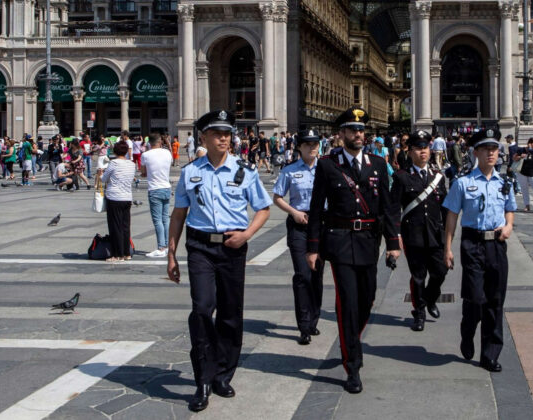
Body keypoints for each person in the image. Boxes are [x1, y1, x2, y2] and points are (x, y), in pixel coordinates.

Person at [167, 110, 272, 412]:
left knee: (229, 313)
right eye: (217, 133)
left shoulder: (245, 170)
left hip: (232, 247)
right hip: (200, 246)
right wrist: (171, 255)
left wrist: (246, 234)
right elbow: (178, 215)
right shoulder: (190, 172)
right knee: (201, 308)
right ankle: (203, 378)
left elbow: (263, 208)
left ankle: (223, 374)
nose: (224, 138)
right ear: (203, 138)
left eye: (227, 133)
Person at [306, 106, 401, 394]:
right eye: (353, 130)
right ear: (342, 134)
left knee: (367, 299)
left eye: (362, 130)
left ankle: (351, 342)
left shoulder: (377, 163)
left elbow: (388, 206)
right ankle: (352, 365)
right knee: (347, 303)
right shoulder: (327, 165)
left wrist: (393, 244)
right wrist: (313, 248)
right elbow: (316, 207)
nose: (359, 134)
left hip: (369, 241)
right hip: (340, 241)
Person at [443, 129, 516, 373]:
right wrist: (448, 248)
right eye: (486, 149)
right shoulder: (463, 183)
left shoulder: (504, 182)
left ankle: (490, 354)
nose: (491, 153)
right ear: (476, 152)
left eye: (494, 149)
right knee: (475, 298)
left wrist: (509, 226)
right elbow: (452, 215)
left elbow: (510, 208)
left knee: (495, 300)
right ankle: (467, 331)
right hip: (472, 243)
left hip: (496, 244)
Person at [390, 131, 448, 332]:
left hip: (435, 233)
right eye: (418, 148)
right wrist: (394, 237)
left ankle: (430, 298)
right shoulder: (402, 177)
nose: (423, 152)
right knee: (418, 276)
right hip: (412, 233)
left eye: (425, 148)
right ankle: (420, 311)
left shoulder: (438, 177)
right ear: (410, 151)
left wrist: (448, 237)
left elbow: (445, 209)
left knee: (440, 271)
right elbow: (393, 209)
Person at [273, 129, 324, 345]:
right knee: (303, 274)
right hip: (299, 224)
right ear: (299, 147)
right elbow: (277, 197)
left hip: (321, 225)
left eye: (315, 144)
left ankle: (314, 319)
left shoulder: (326, 169)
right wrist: (293, 212)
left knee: (317, 276)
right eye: (307, 144)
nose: (312, 148)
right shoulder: (290, 170)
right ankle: (303, 325)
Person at [100, 141, 136, 262]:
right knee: (125, 226)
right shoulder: (132, 164)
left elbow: (104, 179)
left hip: (114, 197)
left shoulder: (114, 163)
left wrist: (100, 173)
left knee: (115, 226)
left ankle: (117, 254)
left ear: (115, 151)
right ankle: (127, 253)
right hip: (127, 197)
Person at [141, 133, 173, 258]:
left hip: (154, 189)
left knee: (157, 220)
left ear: (150, 143)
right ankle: (167, 246)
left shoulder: (146, 155)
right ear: (160, 142)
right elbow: (168, 165)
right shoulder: (167, 153)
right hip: (167, 187)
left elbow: (143, 172)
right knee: (166, 219)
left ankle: (161, 247)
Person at [513, 138, 533, 212]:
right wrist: (521, 157)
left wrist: (532, 151)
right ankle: (527, 205)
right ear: (529, 143)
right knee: (524, 189)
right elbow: (514, 158)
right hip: (522, 172)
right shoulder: (522, 150)